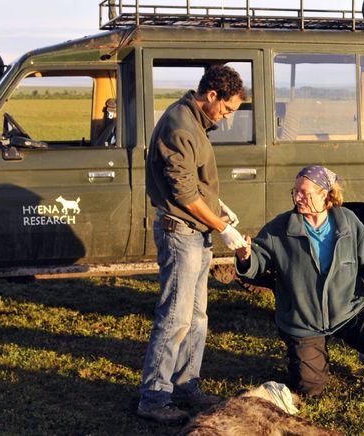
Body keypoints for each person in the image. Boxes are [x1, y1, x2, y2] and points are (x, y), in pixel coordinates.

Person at [235, 165, 364, 396]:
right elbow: (258, 262)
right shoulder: (279, 228)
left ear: (325, 194)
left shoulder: (347, 220)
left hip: (350, 308)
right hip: (304, 319)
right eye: (295, 191)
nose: (298, 197)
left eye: (305, 193)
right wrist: (246, 257)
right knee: (309, 387)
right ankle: (309, 357)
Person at [139, 65, 248, 425]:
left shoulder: (195, 123)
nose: (228, 117)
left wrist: (218, 209)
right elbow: (183, 192)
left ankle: (186, 385)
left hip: (197, 232)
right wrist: (222, 228)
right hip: (181, 233)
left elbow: (195, 183)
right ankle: (154, 396)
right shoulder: (181, 126)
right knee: (175, 317)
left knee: (197, 316)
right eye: (228, 109)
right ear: (211, 95)